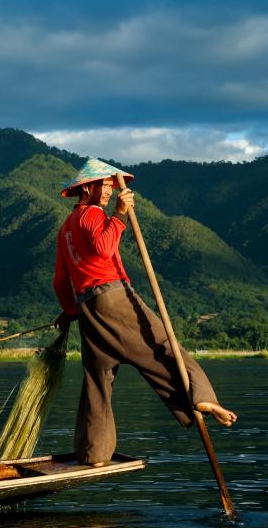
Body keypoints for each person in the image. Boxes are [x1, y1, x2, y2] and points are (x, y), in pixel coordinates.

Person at [53, 157, 237, 467]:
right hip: (113, 297)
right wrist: (120, 215)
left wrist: (70, 311)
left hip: (88, 308)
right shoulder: (94, 214)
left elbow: (61, 280)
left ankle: (93, 453)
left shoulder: (65, 229)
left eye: (110, 186)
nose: (109, 191)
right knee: (164, 346)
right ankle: (203, 397)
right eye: (104, 185)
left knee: (97, 381)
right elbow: (103, 248)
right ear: (86, 188)